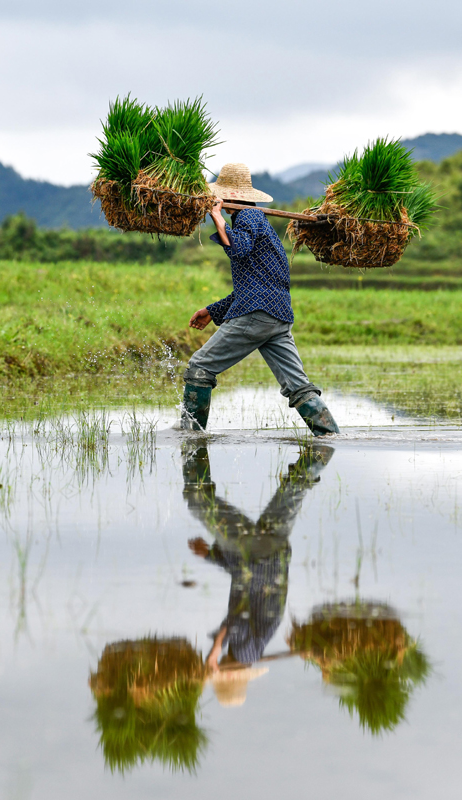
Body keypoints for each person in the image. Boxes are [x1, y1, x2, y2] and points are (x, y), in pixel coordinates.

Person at [180, 162, 339, 435]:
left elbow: (238, 249)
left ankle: (190, 436)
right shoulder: (258, 223)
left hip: (256, 315)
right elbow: (254, 287)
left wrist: (217, 217)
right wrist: (212, 310)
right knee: (298, 386)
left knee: (200, 367)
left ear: (228, 197)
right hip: (276, 318)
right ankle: (331, 438)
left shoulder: (248, 218)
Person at [183, 440, 335, 705]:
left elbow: (245, 580)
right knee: (198, 501)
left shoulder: (256, 646)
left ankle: (323, 449)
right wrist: (216, 647)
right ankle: (193, 442)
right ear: (227, 670)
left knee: (293, 489)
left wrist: (210, 556)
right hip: (255, 553)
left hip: (274, 552)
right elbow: (237, 622)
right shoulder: (244, 651)